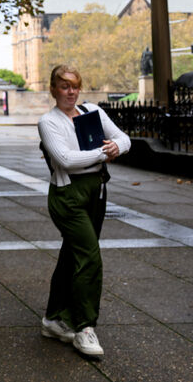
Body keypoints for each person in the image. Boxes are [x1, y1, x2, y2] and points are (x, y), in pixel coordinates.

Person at [37, 64, 130, 357]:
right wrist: (105, 152)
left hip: (96, 192)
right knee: (89, 257)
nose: (71, 92)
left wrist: (117, 145)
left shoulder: (92, 112)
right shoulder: (48, 121)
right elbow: (66, 159)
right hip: (67, 196)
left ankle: (53, 319)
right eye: (64, 86)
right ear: (53, 89)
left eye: (75, 86)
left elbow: (124, 139)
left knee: (72, 255)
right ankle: (84, 327)